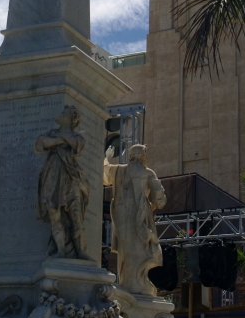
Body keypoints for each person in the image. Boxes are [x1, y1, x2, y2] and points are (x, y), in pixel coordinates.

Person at [103, 143, 167, 295]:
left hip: (121, 216)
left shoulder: (118, 170)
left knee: (125, 250)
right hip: (139, 217)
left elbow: (104, 173)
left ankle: (127, 282)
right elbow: (159, 201)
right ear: (143, 156)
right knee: (140, 248)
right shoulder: (148, 173)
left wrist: (106, 158)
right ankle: (137, 283)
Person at [35, 105, 91, 259]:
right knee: (54, 213)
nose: (59, 114)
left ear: (70, 117)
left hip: (71, 176)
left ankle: (81, 252)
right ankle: (60, 251)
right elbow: (41, 143)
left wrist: (61, 139)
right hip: (52, 174)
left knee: (76, 215)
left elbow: (77, 146)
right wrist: (61, 139)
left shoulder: (77, 137)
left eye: (63, 112)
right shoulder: (53, 133)